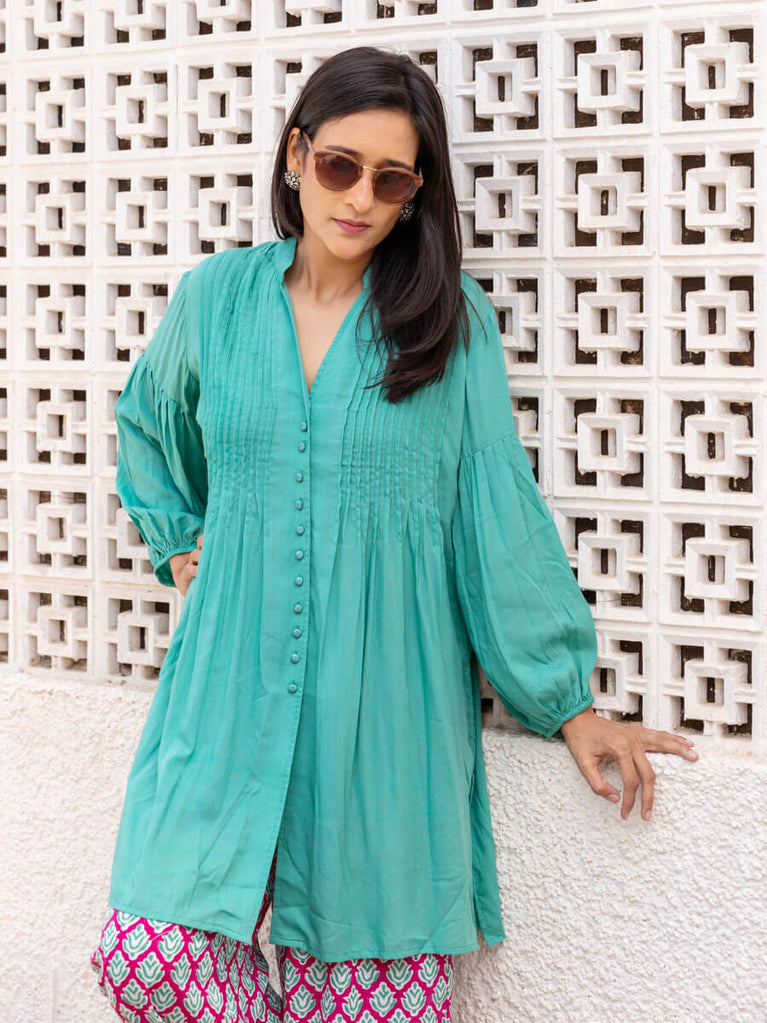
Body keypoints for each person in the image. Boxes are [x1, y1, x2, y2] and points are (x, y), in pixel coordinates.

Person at [89, 44, 699, 1023]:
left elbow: (492, 510)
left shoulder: (447, 323)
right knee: (148, 955)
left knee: (372, 998)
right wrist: (182, 543)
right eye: (340, 165)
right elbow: (149, 424)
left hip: (385, 705)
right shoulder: (217, 300)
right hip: (225, 686)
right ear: (297, 156)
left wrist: (565, 702)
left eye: (392, 179)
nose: (359, 198)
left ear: (415, 194)